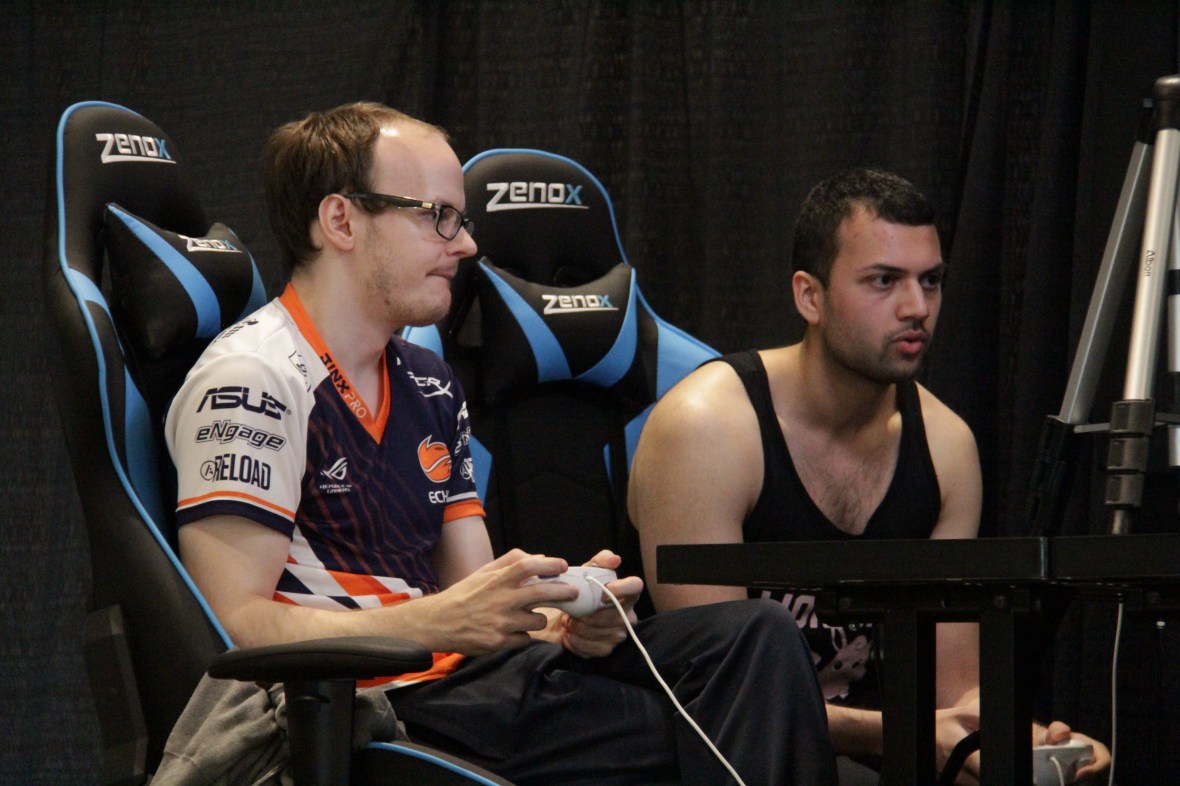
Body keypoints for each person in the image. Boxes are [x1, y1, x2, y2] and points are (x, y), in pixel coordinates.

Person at [164, 101, 837, 786]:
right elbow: (236, 624)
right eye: (438, 217)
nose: (465, 246)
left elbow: (474, 595)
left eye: (462, 221)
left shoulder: (430, 382)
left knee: (753, 636)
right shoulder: (252, 378)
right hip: (375, 700)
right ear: (341, 221)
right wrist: (436, 621)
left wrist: (563, 619)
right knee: (717, 722)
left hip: (468, 679)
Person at [627, 168, 1111, 784]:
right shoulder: (707, 428)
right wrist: (909, 732)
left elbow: (955, 693)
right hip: (718, 755)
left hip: (872, 757)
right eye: (884, 281)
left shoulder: (946, 447)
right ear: (810, 297)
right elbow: (719, 696)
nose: (917, 308)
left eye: (930, 281)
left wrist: (1029, 745)